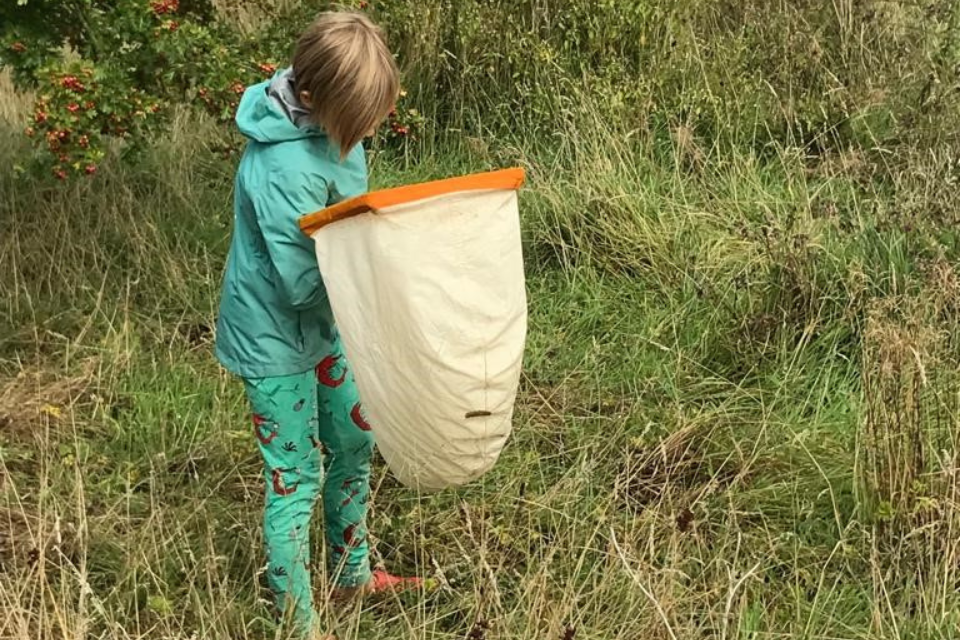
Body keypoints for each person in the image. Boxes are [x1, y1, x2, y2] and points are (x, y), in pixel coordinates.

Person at [213, 11, 418, 638]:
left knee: (355, 440)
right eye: (354, 119)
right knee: (294, 477)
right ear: (310, 96)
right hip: (275, 339)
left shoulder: (325, 121)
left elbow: (346, 220)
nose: (360, 136)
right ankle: (298, 623)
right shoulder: (284, 172)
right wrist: (384, 281)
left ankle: (350, 575)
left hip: (326, 323)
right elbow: (303, 282)